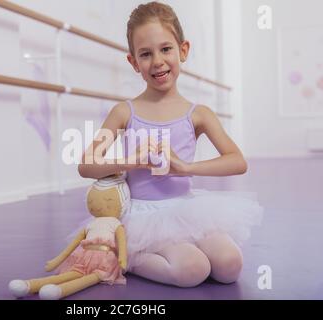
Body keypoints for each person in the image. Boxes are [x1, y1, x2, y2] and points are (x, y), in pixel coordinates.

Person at [78, 1, 263, 288]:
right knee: (192, 269)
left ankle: (163, 254)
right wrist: (132, 162)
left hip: (188, 210)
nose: (158, 61)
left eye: (166, 49)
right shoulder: (124, 112)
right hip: (143, 216)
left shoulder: (199, 113)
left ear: (183, 50)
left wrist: (185, 167)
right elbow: (86, 165)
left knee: (230, 265)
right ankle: (124, 254)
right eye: (146, 54)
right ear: (134, 62)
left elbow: (237, 161)